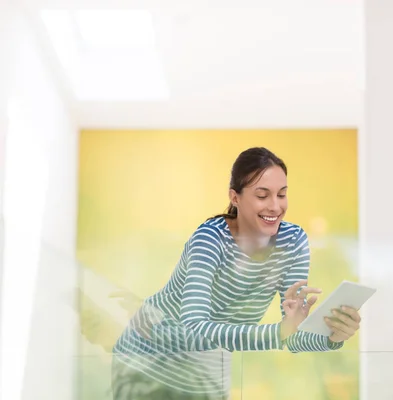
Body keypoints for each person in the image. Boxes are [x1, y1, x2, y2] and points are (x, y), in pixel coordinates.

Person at [111, 147, 362, 399]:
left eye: (282, 194)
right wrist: (279, 332)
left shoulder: (293, 241)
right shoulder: (209, 239)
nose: (275, 206)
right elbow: (193, 329)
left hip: (208, 363)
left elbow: (291, 337)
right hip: (148, 356)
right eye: (262, 195)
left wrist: (331, 335)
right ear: (235, 197)